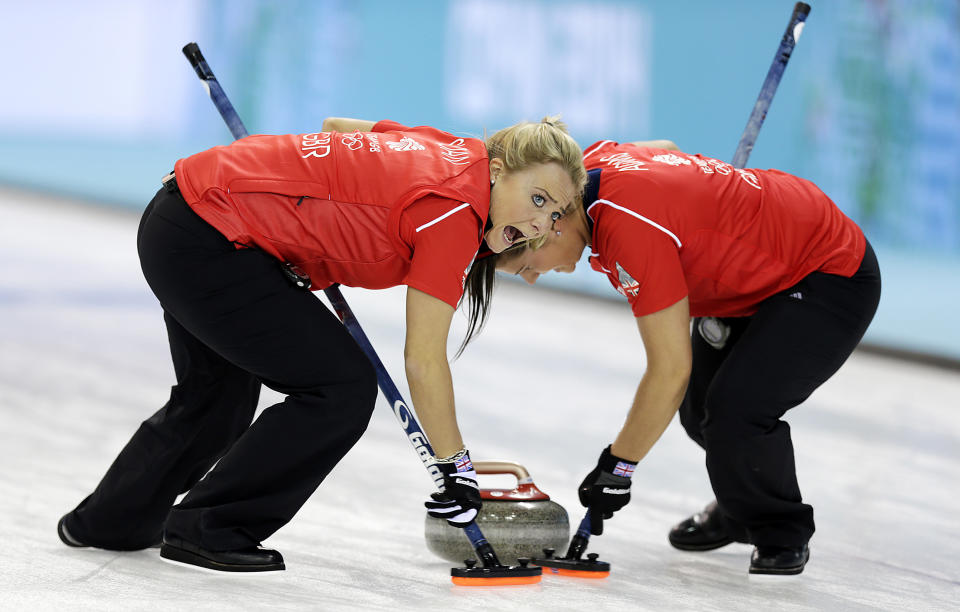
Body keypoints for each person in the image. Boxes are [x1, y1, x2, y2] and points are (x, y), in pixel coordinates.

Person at [57, 116, 586, 573]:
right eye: (537, 199)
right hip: (210, 238)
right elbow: (423, 358)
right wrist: (457, 468)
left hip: (189, 214)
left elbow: (337, 130)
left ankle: (110, 522)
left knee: (218, 398)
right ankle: (209, 526)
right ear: (497, 172)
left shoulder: (450, 149)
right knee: (340, 388)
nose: (542, 222)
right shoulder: (453, 211)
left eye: (556, 213)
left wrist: (297, 215)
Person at [496, 138, 881, 575]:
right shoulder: (580, 172)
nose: (531, 278)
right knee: (698, 408)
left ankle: (779, 530)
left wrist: (617, 467)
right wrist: (710, 215)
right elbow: (664, 148)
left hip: (827, 270)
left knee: (737, 409)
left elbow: (669, 369)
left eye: (527, 264)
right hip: (756, 269)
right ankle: (741, 505)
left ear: (555, 223)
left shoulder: (630, 232)